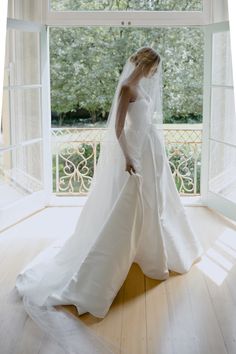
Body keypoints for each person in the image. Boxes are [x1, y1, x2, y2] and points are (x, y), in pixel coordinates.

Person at [11, 46, 204, 353]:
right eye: (153, 66)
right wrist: (129, 158)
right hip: (135, 152)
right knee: (134, 205)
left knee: (157, 205)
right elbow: (117, 129)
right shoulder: (127, 88)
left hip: (152, 150)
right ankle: (120, 254)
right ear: (145, 63)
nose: (155, 72)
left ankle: (151, 247)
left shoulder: (141, 87)